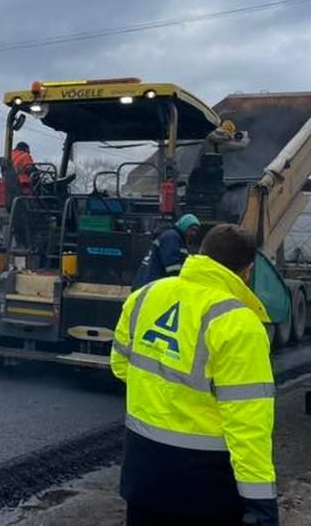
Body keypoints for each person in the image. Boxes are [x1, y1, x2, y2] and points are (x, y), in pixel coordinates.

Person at [112, 224, 278, 526]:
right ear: (247, 270)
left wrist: (166, 401)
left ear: (200, 254)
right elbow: (248, 424)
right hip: (206, 485)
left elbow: (121, 366)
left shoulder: (146, 296)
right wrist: (261, 503)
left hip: (142, 471)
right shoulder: (239, 323)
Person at [131, 213, 201, 288]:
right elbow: (172, 267)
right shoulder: (172, 237)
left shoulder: (177, 239)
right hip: (150, 286)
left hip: (148, 285)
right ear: (184, 226)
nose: (194, 233)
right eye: (192, 229)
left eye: (196, 231)